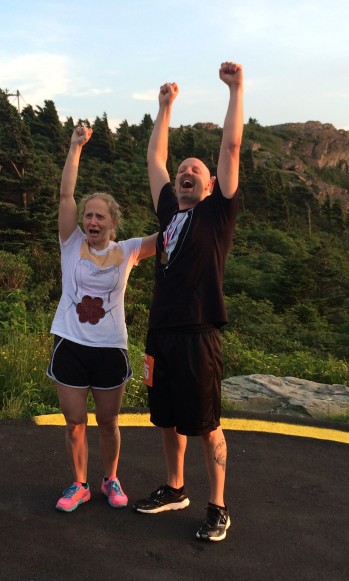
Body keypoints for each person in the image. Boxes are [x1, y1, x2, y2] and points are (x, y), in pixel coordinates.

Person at [133, 62, 244, 542]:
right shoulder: (167, 211)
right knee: (167, 416)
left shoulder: (218, 213)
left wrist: (236, 89)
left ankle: (217, 506)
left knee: (205, 423)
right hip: (162, 332)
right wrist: (164, 109)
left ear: (212, 184)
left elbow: (231, 146)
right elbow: (155, 160)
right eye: (182, 170)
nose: (184, 173)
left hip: (200, 333)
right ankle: (175, 487)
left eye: (194, 170)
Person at [47, 125, 157, 512]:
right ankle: (79, 484)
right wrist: (75, 147)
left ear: (113, 222)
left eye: (100, 216)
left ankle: (110, 478)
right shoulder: (71, 242)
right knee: (75, 420)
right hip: (71, 343)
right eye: (88, 215)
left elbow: (170, 234)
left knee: (108, 421)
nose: (92, 221)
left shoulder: (127, 251)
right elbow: (65, 194)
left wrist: (198, 204)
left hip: (110, 346)